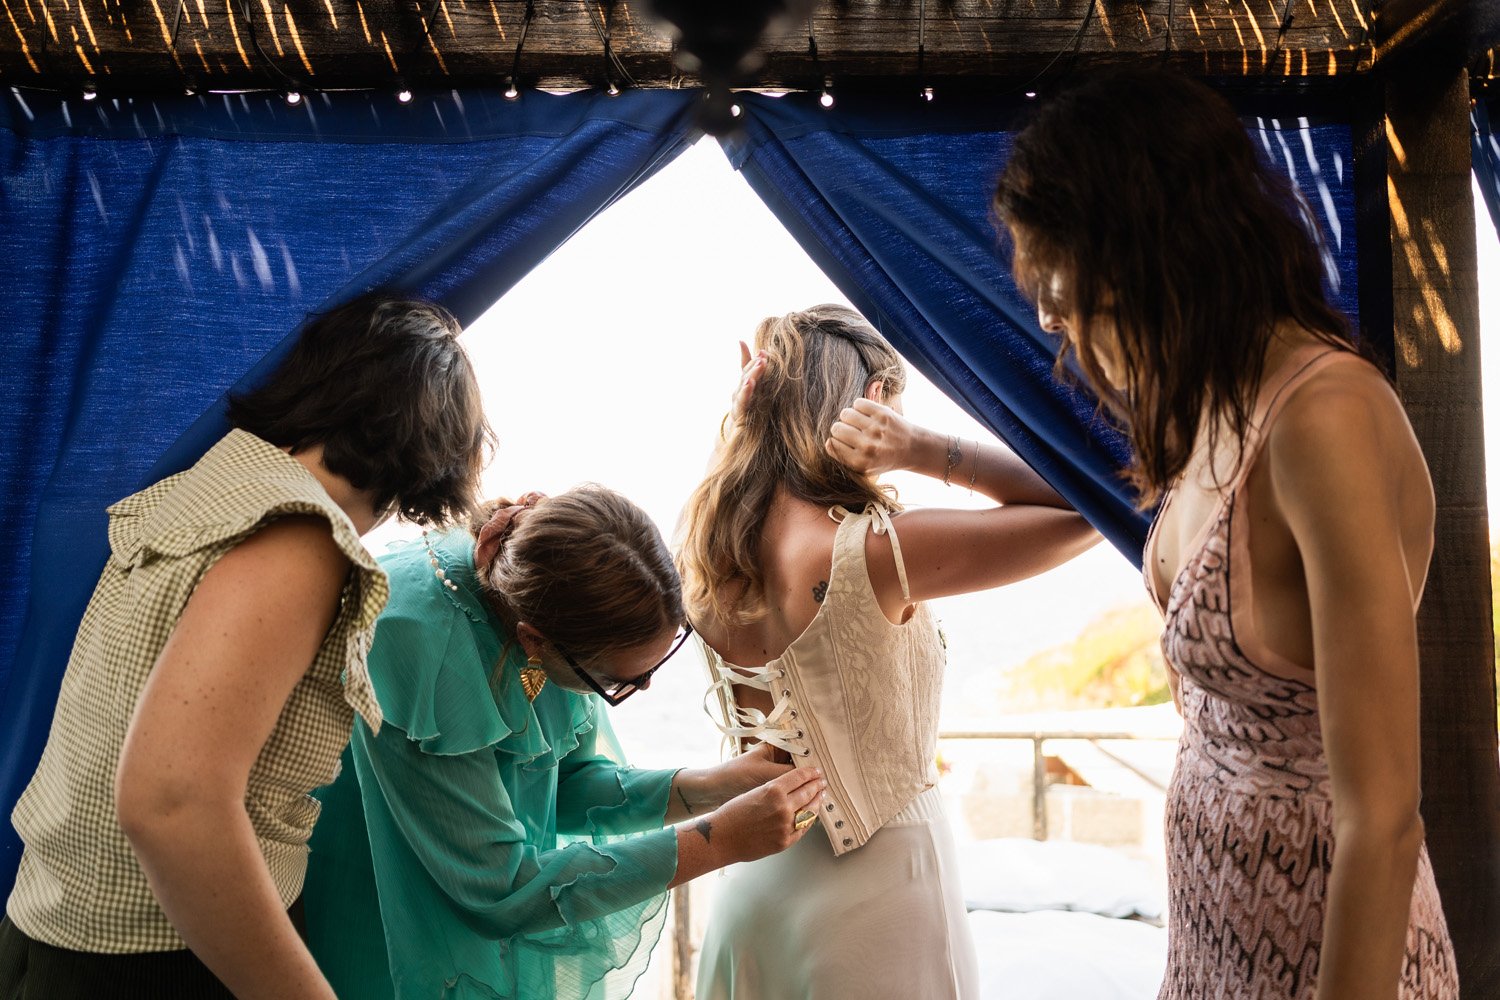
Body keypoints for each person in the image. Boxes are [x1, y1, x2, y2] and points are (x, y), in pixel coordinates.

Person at [992, 66, 1460, 1000]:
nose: (1048, 314)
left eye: (1056, 277)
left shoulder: (1322, 416)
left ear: (1138, 246)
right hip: (1221, 943)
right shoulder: (1222, 410)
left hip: (1332, 960)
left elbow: (1384, 819)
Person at [0, 293, 494, 999]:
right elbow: (173, 800)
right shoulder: (299, 537)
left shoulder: (206, 486)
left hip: (49, 926)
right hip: (158, 958)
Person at [679, 304, 1100, 1000]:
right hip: (880, 898)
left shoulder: (707, 555)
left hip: (753, 884)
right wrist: (923, 450)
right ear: (873, 405)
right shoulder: (873, 554)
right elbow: (1091, 500)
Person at [302, 484, 827, 1000]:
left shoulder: (547, 586)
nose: (641, 688)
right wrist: (719, 840)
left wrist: (714, 785)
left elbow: (563, 784)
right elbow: (501, 889)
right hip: (387, 915)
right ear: (534, 640)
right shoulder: (421, 649)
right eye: (619, 682)